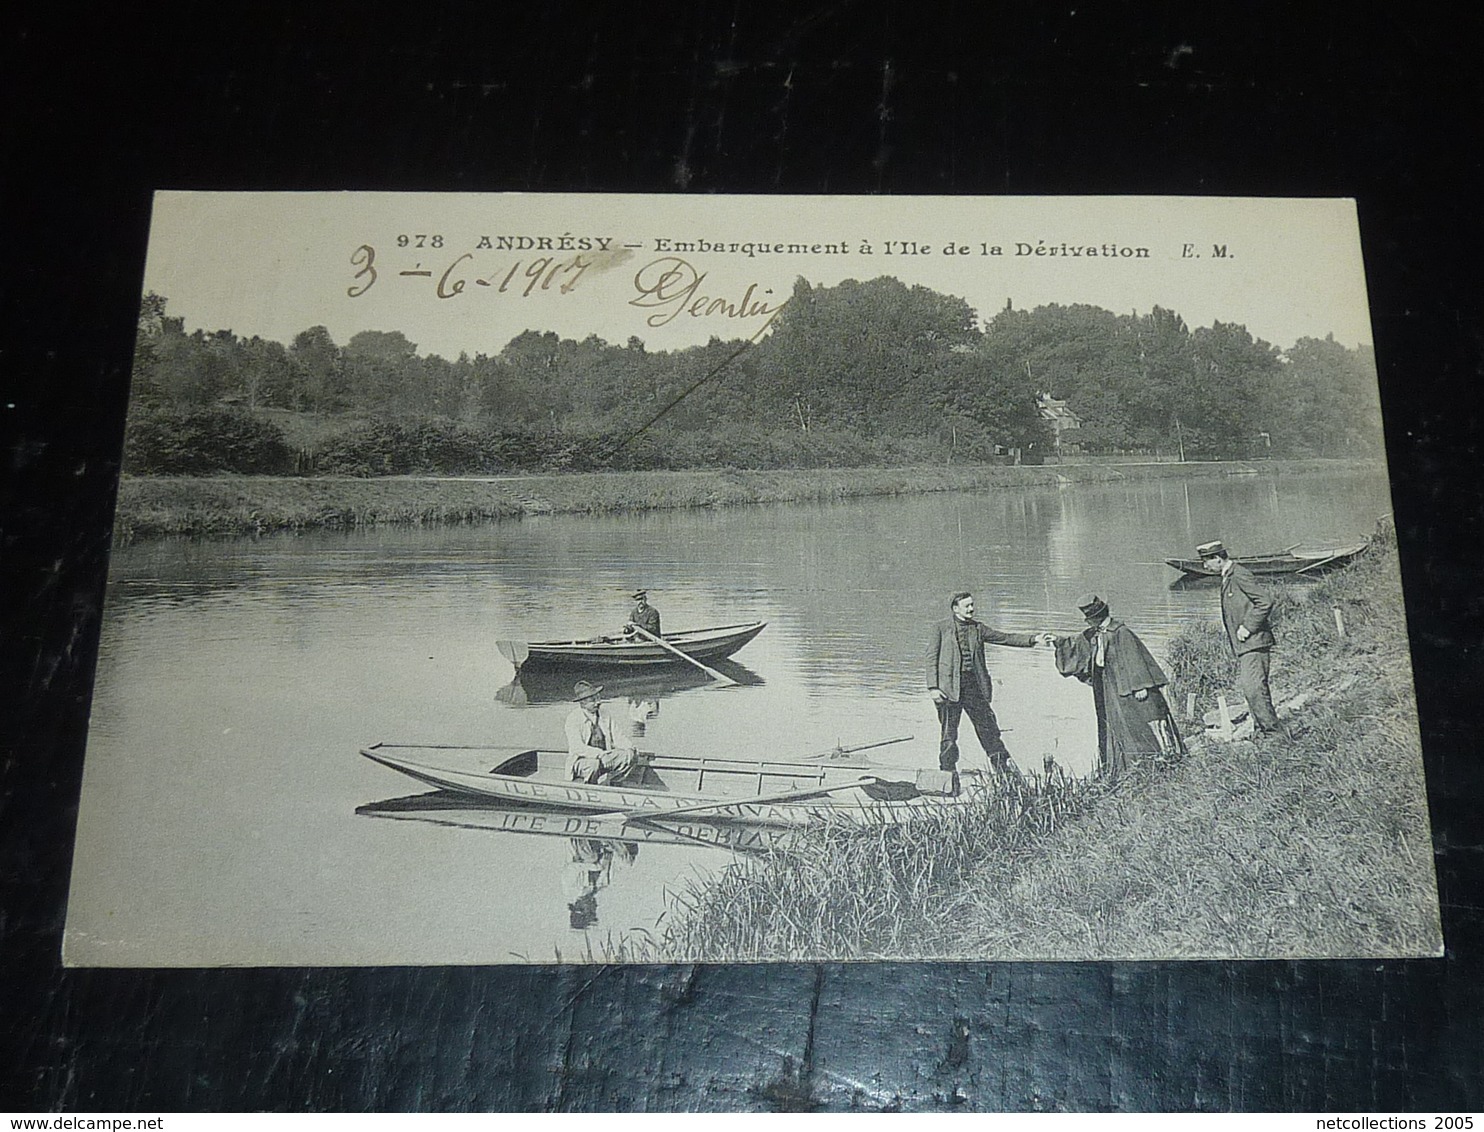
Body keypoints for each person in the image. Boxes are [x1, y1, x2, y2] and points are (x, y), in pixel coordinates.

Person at [1052, 594, 1187, 779]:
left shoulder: (1121, 632)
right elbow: (1076, 645)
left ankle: (1153, 763)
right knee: (1115, 724)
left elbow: (1134, 657)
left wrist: (1140, 686)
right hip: (1108, 687)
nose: (1088, 623)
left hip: (1127, 686)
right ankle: (1121, 767)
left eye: (1089, 619)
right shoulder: (1095, 634)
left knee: (1135, 722)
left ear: (1096, 617)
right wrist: (1058, 641)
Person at [926, 591, 1052, 774]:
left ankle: (1004, 772)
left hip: (974, 687)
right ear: (955, 609)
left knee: (989, 730)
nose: (971, 609)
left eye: (972, 605)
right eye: (967, 606)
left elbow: (1005, 637)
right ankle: (947, 773)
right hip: (948, 689)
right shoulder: (940, 628)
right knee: (948, 734)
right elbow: (931, 658)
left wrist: (1033, 639)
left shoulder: (978, 628)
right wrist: (933, 688)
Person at [1197, 538, 1283, 734]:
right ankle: (1262, 730)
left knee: (1254, 688)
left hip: (1254, 642)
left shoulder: (1239, 574)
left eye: (1206, 561)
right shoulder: (1228, 576)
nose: (1205, 566)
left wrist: (1248, 627)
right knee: (1250, 688)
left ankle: (1274, 733)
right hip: (1246, 646)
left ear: (1217, 558)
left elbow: (1264, 601)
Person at [564, 681, 638, 784]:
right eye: (593, 700)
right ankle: (589, 787)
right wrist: (600, 754)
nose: (598, 702)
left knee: (629, 755)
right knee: (594, 764)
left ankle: (612, 782)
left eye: (598, 698)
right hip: (582, 761)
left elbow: (618, 737)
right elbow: (577, 747)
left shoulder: (604, 714)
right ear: (583, 703)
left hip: (605, 758)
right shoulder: (573, 719)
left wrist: (630, 748)